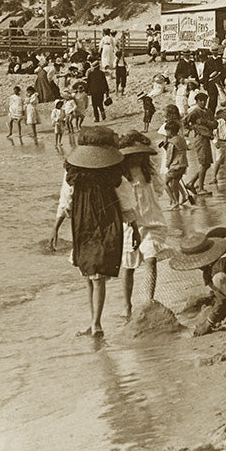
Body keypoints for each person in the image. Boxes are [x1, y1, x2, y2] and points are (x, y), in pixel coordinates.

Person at [49, 128, 138, 338]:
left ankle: (96, 323)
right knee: (93, 273)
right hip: (106, 221)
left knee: (92, 273)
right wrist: (134, 227)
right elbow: (126, 202)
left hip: (83, 222)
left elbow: (66, 199)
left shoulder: (73, 171)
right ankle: (94, 322)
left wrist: (56, 225)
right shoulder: (113, 171)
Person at [118, 132, 167, 321]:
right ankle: (127, 304)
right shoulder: (121, 174)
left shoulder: (148, 169)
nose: (139, 156)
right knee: (128, 266)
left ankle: (148, 300)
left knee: (151, 258)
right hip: (130, 223)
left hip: (151, 221)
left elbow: (159, 188)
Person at [183, 91, 217, 197]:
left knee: (206, 164)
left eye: (204, 101)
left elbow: (215, 124)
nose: (203, 102)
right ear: (197, 102)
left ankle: (191, 183)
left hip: (207, 137)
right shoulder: (195, 111)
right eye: (200, 101)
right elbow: (184, 122)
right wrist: (194, 128)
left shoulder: (208, 111)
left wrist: (204, 122)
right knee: (204, 163)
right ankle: (200, 187)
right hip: (200, 138)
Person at [160, 117, 192, 209]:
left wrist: (167, 165)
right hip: (183, 164)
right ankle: (177, 203)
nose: (166, 133)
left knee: (164, 183)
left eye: (167, 131)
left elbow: (169, 156)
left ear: (170, 131)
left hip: (175, 166)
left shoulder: (172, 142)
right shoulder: (181, 139)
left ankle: (174, 201)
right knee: (175, 183)